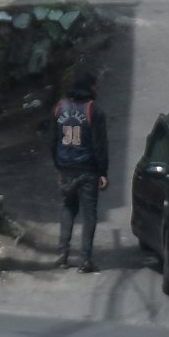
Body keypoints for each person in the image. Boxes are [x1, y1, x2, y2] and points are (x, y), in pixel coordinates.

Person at [50, 70, 109, 273]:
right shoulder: (94, 110)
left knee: (68, 208)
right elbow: (100, 145)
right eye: (95, 86)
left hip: (66, 168)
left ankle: (62, 253)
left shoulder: (60, 107)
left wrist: (58, 165)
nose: (97, 90)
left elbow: (53, 141)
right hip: (87, 170)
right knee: (89, 214)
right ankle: (85, 259)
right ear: (89, 87)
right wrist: (103, 172)